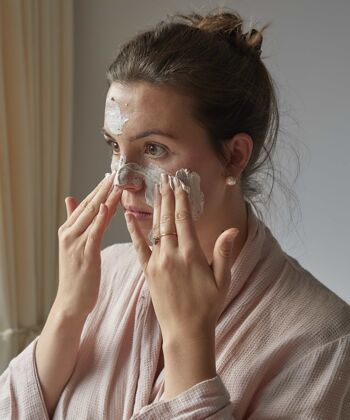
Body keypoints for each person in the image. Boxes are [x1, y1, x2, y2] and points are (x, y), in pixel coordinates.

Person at [1, 9, 350, 420]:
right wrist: (66, 312)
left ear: (234, 156)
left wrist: (188, 346)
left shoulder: (323, 341)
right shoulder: (105, 274)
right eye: (115, 146)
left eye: (154, 149)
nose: (122, 179)